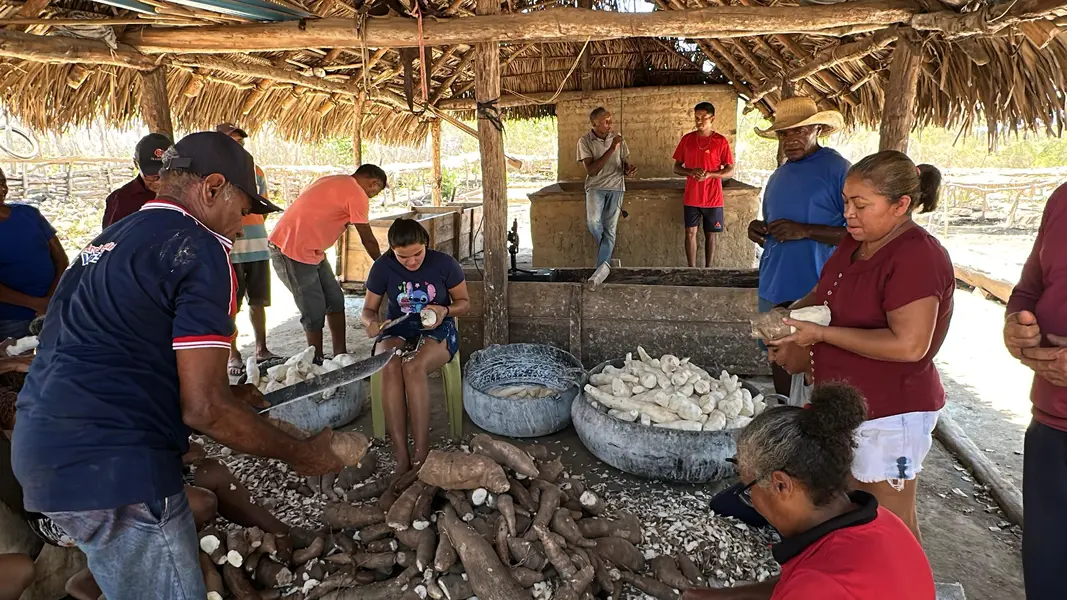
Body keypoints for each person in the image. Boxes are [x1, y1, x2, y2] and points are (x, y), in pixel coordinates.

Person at [10, 132, 342, 600]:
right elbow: (204, 410)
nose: (241, 223)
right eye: (242, 207)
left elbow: (118, 358)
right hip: (114, 467)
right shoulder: (200, 249)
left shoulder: (104, 243)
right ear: (211, 187)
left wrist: (230, 397)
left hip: (46, 456)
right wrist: (302, 454)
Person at [769, 150, 953, 541]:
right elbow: (824, 294)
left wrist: (819, 335)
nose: (848, 213)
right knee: (853, 508)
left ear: (901, 205)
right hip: (848, 404)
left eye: (861, 204)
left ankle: (907, 588)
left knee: (891, 520)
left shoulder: (917, 255)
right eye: (846, 202)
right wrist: (787, 320)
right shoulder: (855, 243)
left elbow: (909, 345)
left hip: (891, 412)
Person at [683, 384, 936, 600]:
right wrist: (715, 596)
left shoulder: (817, 586)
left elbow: (810, 587)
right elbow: (790, 585)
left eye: (749, 490)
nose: (751, 501)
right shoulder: (887, 521)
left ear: (781, 485)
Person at [748, 97, 850, 396]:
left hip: (815, 287)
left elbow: (858, 235)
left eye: (799, 131)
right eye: (784, 134)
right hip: (774, 283)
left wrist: (805, 230)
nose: (791, 140)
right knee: (776, 352)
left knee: (816, 361)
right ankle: (784, 411)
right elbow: (778, 227)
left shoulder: (837, 169)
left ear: (818, 128)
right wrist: (760, 230)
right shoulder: (778, 176)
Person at [360, 218, 470, 473]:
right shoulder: (382, 267)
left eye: (417, 254)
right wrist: (370, 322)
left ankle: (421, 452)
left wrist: (444, 310)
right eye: (402, 257)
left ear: (426, 244)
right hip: (396, 327)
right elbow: (368, 310)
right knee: (389, 364)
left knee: (413, 366)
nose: (411, 262)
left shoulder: (445, 264)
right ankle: (401, 455)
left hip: (438, 326)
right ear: (391, 251)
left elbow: (464, 303)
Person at [1003, 182, 1067, 600]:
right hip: (1051, 423)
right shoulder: (1063, 200)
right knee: (1048, 569)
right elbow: (1031, 287)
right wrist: (1017, 325)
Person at [270, 165, 388, 360]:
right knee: (313, 310)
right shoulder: (357, 194)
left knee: (335, 300)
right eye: (375, 193)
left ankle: (340, 355)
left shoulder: (331, 180)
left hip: (313, 252)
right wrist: (384, 265)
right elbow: (367, 238)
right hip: (290, 250)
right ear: (374, 183)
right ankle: (315, 361)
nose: (371, 197)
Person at [216, 123, 279, 375]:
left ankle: (261, 348)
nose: (238, 146)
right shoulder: (212, 173)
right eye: (232, 141)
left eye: (241, 142)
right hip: (230, 248)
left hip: (257, 245)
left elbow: (260, 206)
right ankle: (233, 354)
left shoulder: (256, 171)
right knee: (231, 305)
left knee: (259, 301)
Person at [0, 168, 68, 340]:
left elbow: (60, 258)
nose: (2, 189)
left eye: (2, 183)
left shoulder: (28, 213)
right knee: (19, 362)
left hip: (54, 306)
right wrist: (36, 303)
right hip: (13, 318)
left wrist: (51, 297)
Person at [672, 102, 735, 268]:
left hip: (713, 197)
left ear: (712, 118)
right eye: (696, 118)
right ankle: (691, 269)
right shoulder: (687, 139)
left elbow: (730, 170)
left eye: (703, 118)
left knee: (711, 235)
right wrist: (691, 172)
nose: (699, 121)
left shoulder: (720, 141)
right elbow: (676, 167)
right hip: (692, 196)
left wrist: (711, 174)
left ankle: (709, 269)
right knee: (690, 232)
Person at [577, 107, 637, 267]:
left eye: (611, 120)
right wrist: (612, 148)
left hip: (616, 187)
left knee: (610, 228)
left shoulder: (617, 138)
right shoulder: (584, 141)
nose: (610, 124)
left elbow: (623, 161)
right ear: (595, 123)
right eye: (606, 121)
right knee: (593, 222)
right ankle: (607, 251)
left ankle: (601, 267)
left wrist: (627, 169)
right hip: (595, 187)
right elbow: (592, 170)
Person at [101, 133, 172, 228]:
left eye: (166, 173)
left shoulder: (185, 193)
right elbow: (111, 239)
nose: (159, 181)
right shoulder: (120, 200)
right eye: (153, 176)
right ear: (136, 164)